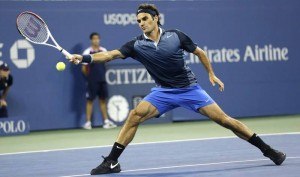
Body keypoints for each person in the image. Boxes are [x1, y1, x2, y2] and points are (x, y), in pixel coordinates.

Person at [69, 4, 286, 175]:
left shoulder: (176, 36)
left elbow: (200, 53)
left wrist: (211, 74)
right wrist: (85, 58)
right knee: (134, 116)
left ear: (156, 18)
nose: (141, 23)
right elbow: (109, 55)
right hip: (163, 92)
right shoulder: (136, 45)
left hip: (190, 89)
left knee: (225, 121)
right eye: (138, 21)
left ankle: (268, 151)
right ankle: (112, 161)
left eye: (145, 19)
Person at [81, 32, 116, 129]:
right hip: (92, 81)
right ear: (91, 40)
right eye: (94, 39)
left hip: (102, 80)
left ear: (99, 39)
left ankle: (106, 122)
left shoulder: (103, 50)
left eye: (97, 38)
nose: (96, 40)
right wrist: (90, 78)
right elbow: (84, 69)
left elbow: (105, 65)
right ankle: (88, 123)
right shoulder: (87, 52)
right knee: (90, 101)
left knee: (103, 100)